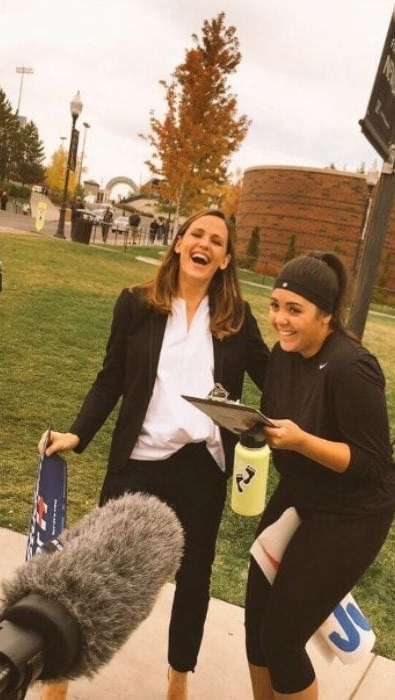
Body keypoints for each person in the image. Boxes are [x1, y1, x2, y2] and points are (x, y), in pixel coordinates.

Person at [38, 208, 270, 700]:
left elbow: (274, 379)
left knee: (193, 578)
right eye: (197, 234)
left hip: (201, 466)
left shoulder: (236, 319)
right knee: (96, 569)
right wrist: (78, 434)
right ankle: (61, 672)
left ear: (225, 259)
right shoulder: (137, 304)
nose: (204, 243)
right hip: (139, 458)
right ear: (180, 242)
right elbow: (111, 378)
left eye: (217, 240)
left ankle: (179, 675)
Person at [244, 252, 395, 700]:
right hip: (302, 491)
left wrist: (302, 442)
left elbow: (371, 463)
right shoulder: (283, 354)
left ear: (327, 315)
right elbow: (279, 417)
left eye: (295, 310)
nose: (280, 320)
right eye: (276, 305)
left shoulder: (353, 367)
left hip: (354, 511)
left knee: (282, 635)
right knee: (256, 619)